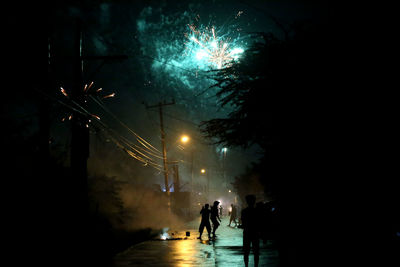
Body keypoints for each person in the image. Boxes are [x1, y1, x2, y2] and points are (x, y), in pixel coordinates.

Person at [241, 195, 260, 267]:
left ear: (247, 202)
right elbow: (259, 223)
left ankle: (246, 265)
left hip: (247, 233)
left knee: (246, 252)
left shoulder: (244, 211)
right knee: (256, 252)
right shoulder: (257, 211)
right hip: (255, 233)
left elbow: (243, 223)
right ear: (254, 201)